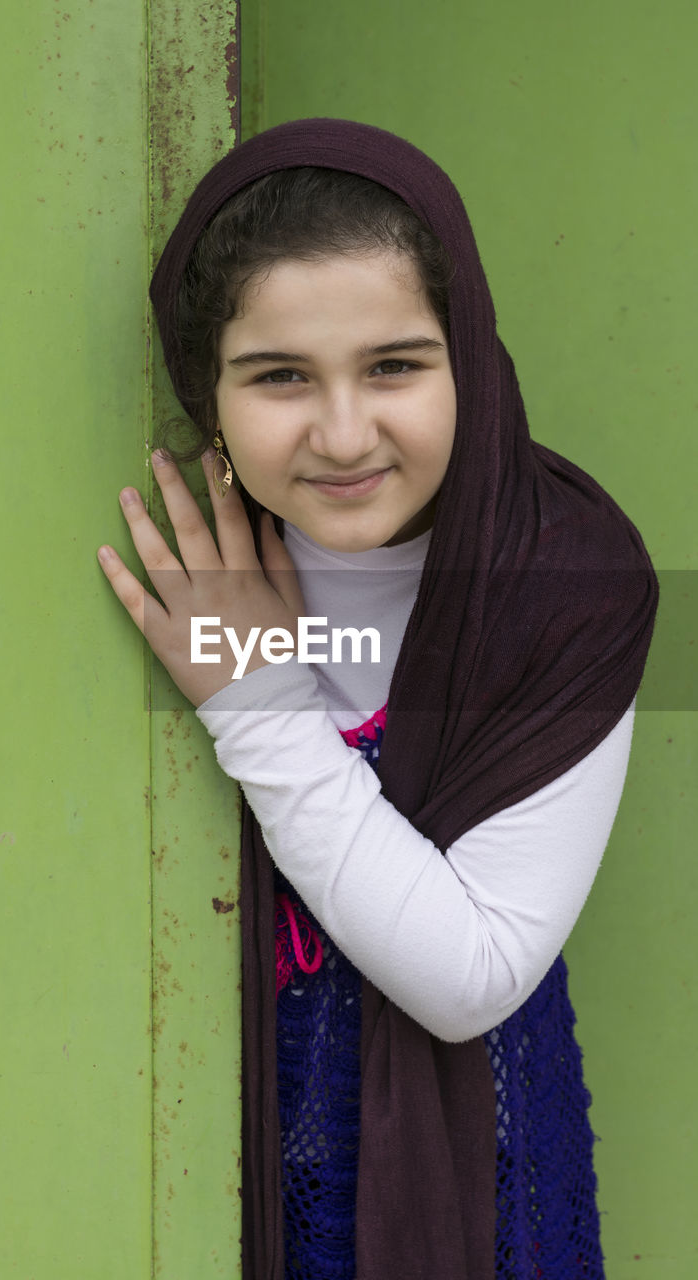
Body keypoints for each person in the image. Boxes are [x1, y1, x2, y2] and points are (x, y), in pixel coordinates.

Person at [97, 120, 657, 1280]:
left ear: (469, 356)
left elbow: (473, 971)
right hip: (171, 1162)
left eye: (395, 365)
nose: (344, 432)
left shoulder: (562, 582)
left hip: (473, 1194)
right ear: (208, 393)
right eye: (279, 376)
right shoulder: (174, 564)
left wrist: (257, 699)